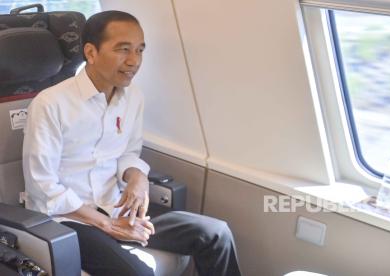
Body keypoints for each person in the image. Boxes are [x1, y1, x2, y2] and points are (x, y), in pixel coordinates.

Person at [22, 10, 241, 276]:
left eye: (140, 50)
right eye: (123, 49)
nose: (134, 61)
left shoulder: (133, 97)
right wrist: (107, 224)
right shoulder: (50, 104)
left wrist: (138, 177)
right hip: (69, 219)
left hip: (117, 207)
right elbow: (43, 187)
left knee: (215, 233)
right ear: (91, 53)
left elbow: (127, 152)